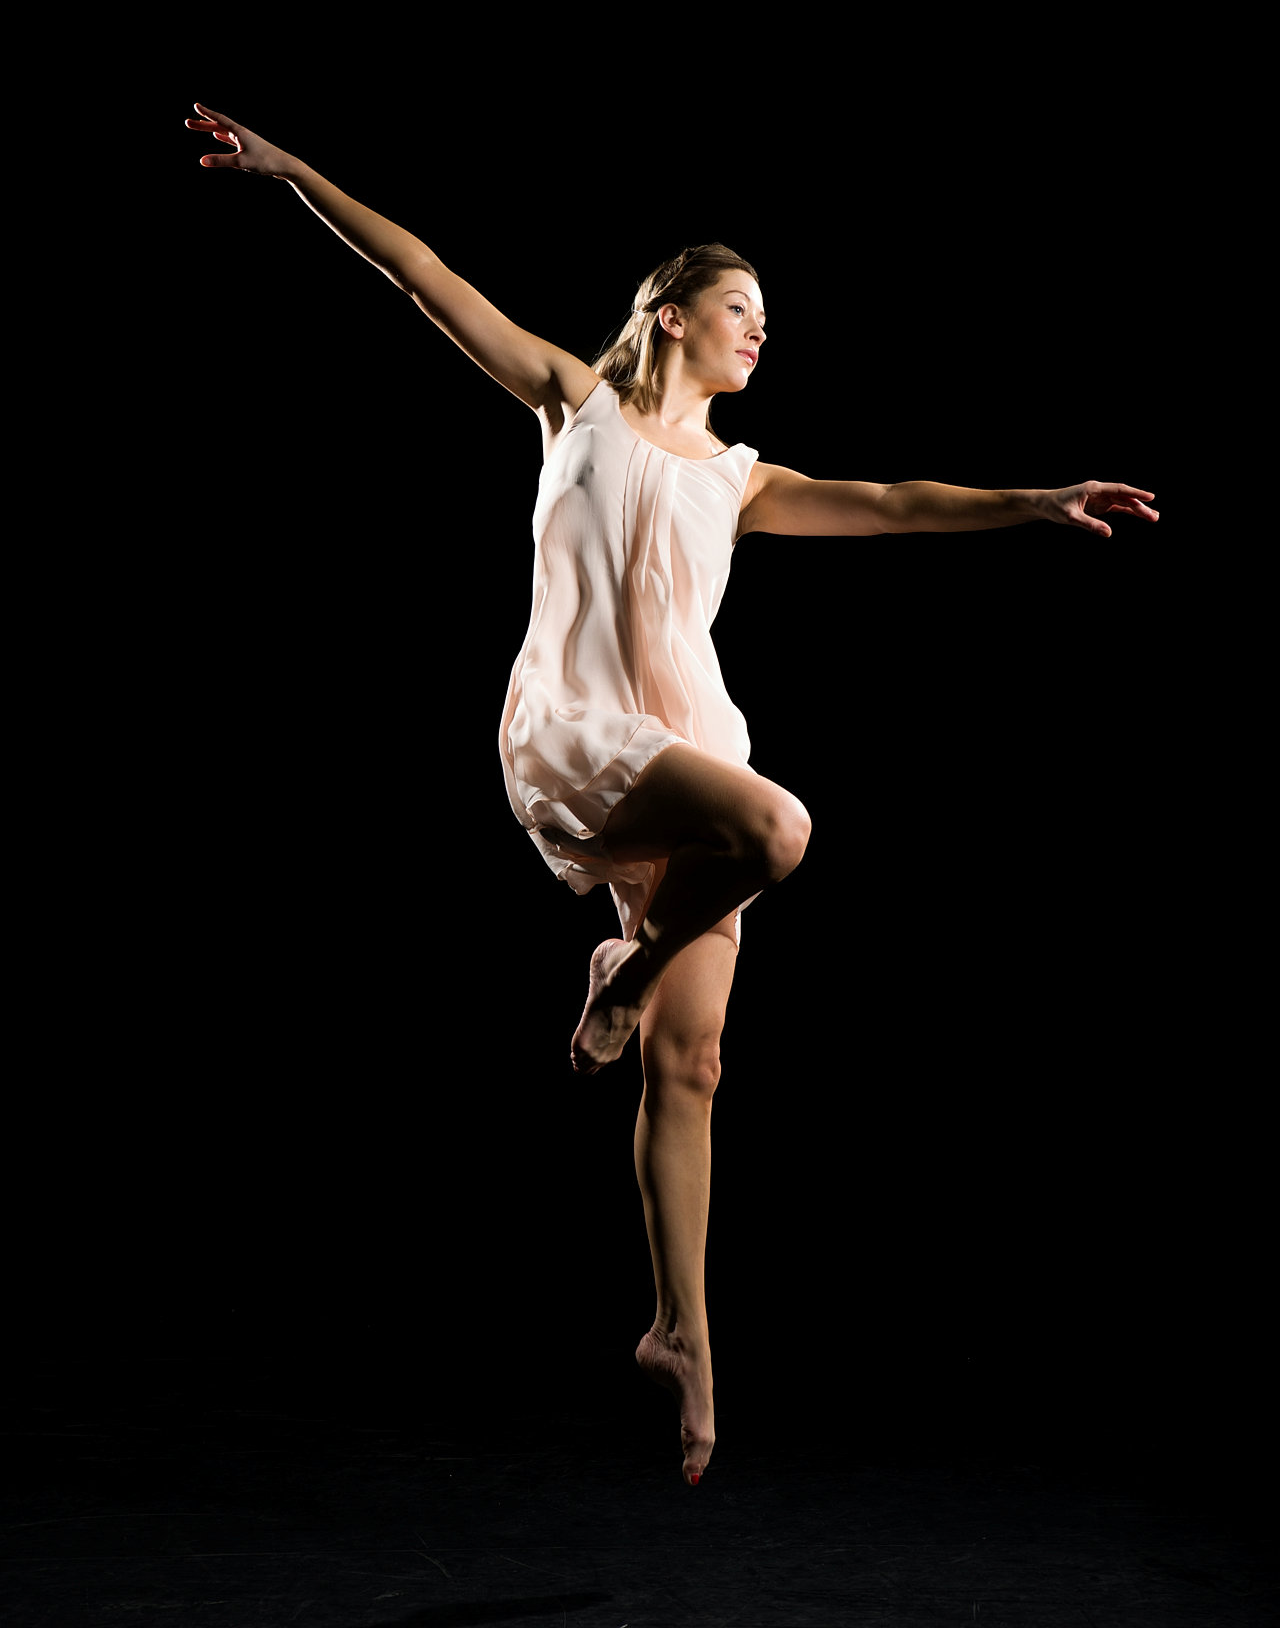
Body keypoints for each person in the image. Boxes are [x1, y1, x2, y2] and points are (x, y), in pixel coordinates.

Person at [186, 102, 1158, 1486]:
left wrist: (1034, 500)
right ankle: (627, 974)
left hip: (689, 740)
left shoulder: (743, 480)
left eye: (766, 316)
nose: (761, 329)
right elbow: (422, 274)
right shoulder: (570, 401)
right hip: (582, 730)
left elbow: (893, 502)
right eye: (738, 307)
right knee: (780, 828)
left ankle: (680, 1334)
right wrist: (292, 171)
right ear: (670, 316)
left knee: (692, 1065)